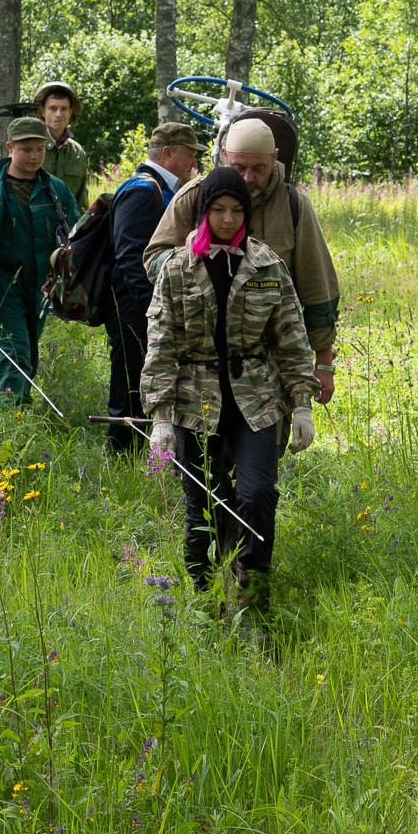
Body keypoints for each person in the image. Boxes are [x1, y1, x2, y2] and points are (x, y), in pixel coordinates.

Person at [142, 167, 318, 608]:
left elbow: (291, 336)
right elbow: (160, 342)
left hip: (255, 398)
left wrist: (301, 405)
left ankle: (252, 595)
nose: (227, 219)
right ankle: (202, 599)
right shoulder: (178, 269)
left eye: (237, 210)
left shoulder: (265, 264)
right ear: (203, 213)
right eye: (218, 210)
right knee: (200, 503)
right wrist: (161, 419)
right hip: (193, 399)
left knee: (257, 492)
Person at [144, 117, 342, 405]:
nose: (248, 178)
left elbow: (318, 289)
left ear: (274, 158)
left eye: (259, 168)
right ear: (225, 156)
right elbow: (152, 261)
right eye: (240, 168)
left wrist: (323, 363)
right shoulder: (195, 197)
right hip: (199, 364)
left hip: (269, 364)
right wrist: (186, 255)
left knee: (266, 446)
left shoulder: (293, 206)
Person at [0, 116, 80, 403]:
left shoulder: (55, 189)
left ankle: (19, 416)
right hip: (0, 287)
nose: (35, 156)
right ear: (10, 147)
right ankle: (6, 424)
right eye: (27, 149)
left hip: (40, 288)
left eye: (40, 149)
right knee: (15, 353)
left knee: (30, 357)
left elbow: (75, 231)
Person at [103, 121, 204, 453]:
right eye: (190, 155)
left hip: (147, 306)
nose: (194, 164)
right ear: (167, 153)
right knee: (130, 382)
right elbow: (131, 258)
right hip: (133, 308)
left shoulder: (164, 190)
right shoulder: (142, 191)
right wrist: (152, 310)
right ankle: (120, 454)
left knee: (149, 379)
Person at [35, 81, 91, 210]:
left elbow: (81, 201)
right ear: (43, 111)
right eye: (53, 108)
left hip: (67, 227)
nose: (59, 114)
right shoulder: (29, 146)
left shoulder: (77, 152)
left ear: (70, 112)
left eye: (64, 109)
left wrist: (82, 228)